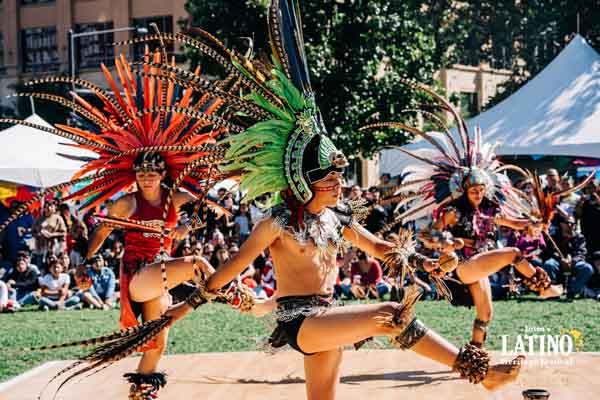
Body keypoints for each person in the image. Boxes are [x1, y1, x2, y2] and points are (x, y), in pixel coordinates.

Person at [134, 4, 524, 397]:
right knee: (390, 315)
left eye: (340, 176)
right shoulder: (276, 224)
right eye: (330, 178)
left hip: (325, 318)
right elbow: (227, 272)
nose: (339, 184)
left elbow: (382, 248)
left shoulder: (336, 219)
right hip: (300, 321)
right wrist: (178, 311)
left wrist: (429, 263)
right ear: (305, 182)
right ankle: (479, 371)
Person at [0, 45, 225, 398]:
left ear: (164, 171)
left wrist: (190, 224)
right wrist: (88, 260)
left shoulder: (175, 197)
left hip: (160, 271)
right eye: (141, 171)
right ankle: (242, 300)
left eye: (153, 171)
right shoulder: (126, 203)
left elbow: (212, 207)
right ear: (133, 173)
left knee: (157, 342)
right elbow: (102, 229)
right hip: (137, 273)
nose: (147, 176)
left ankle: (141, 393)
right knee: (197, 264)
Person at [361, 81, 562, 349]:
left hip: (479, 265)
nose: (478, 193)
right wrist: (445, 240)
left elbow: (515, 223)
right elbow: (427, 233)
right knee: (514, 254)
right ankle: (542, 287)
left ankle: (474, 355)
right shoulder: (455, 211)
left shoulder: (490, 211)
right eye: (474, 190)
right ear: (464, 191)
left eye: (481, 189)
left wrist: (535, 223)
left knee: (486, 314)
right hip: (464, 264)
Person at [542, 214, 595, 299]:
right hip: (558, 262)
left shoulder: (579, 237)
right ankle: (553, 291)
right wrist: (560, 260)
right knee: (549, 264)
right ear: (561, 224)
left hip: (574, 263)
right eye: (567, 223)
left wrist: (573, 261)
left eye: (573, 223)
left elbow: (581, 252)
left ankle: (572, 290)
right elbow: (550, 251)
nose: (570, 225)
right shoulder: (555, 237)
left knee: (587, 268)